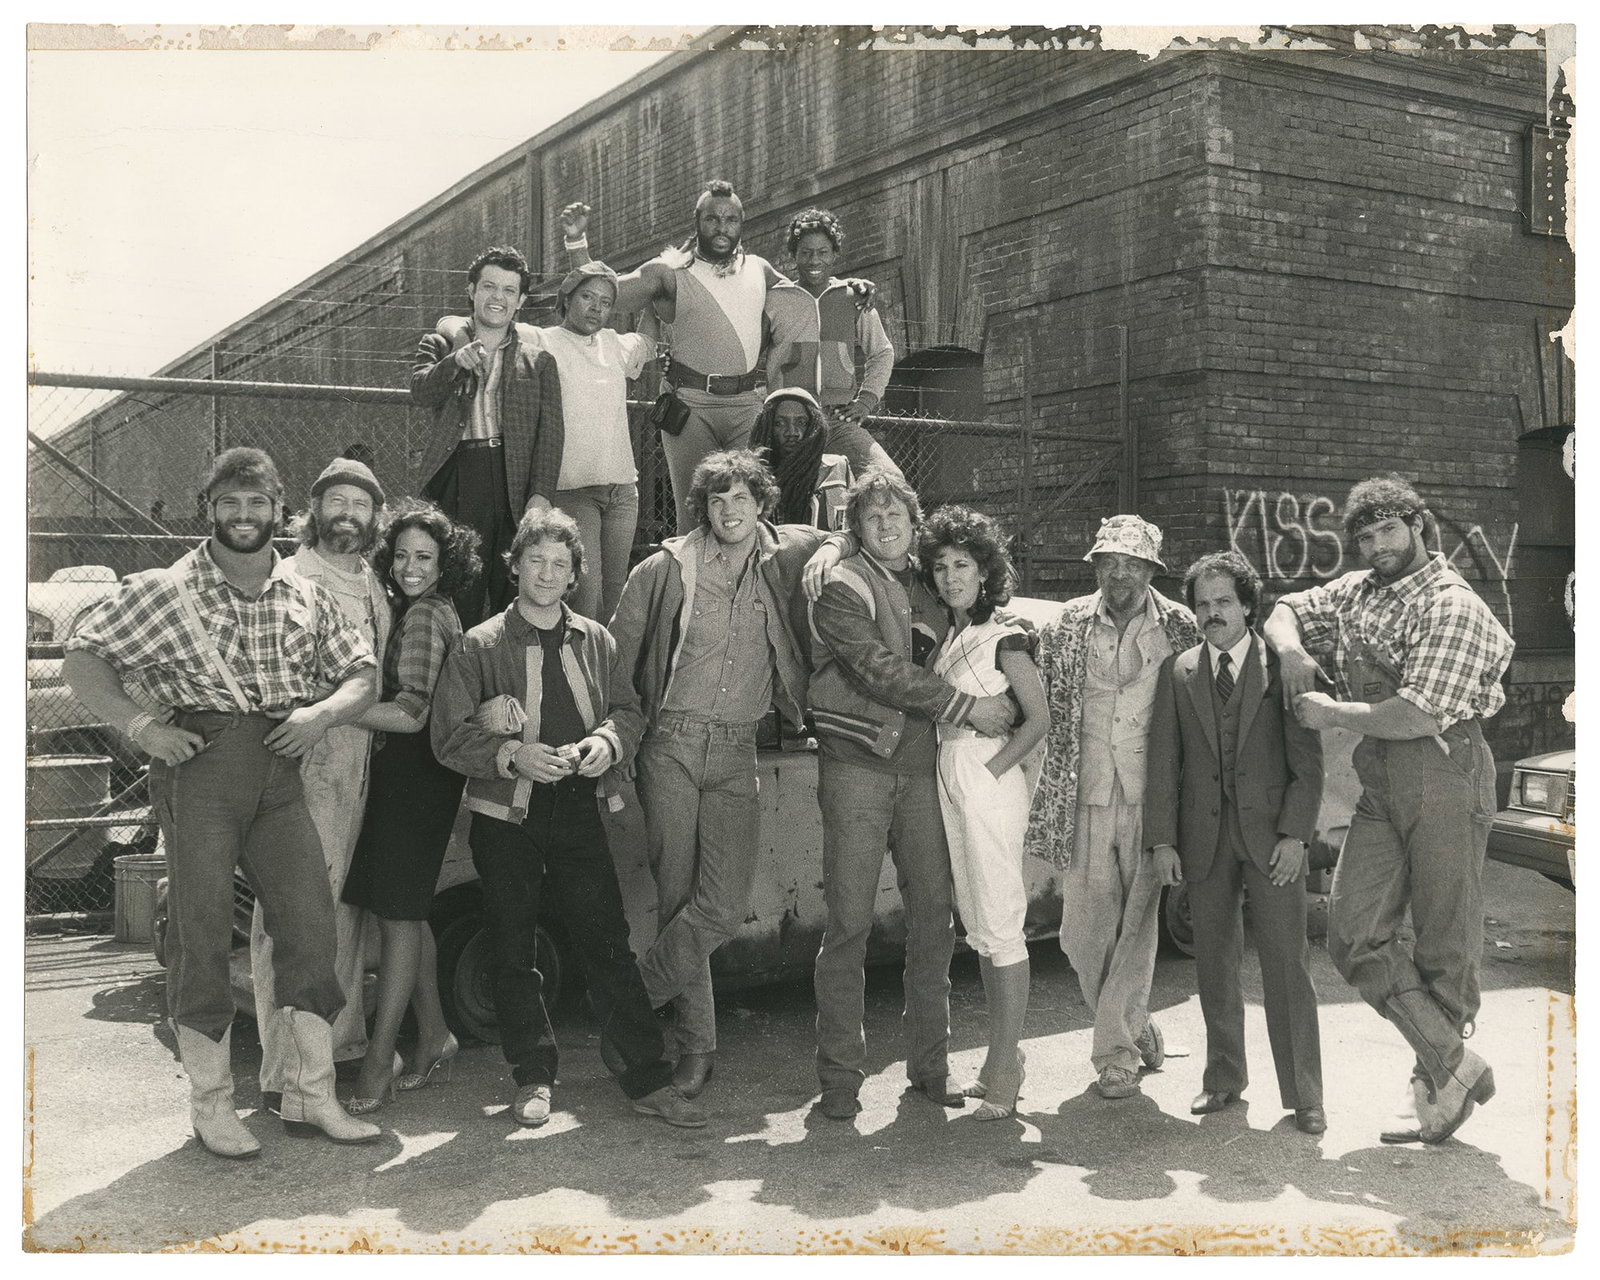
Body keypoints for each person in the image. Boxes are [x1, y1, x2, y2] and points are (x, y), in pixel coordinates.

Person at [63, 447, 382, 1156]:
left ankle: (310, 1094)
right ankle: (211, 1105)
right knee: (202, 936)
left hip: (280, 770)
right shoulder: (166, 589)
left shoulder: (304, 591)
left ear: (279, 510)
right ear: (209, 509)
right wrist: (143, 728)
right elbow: (82, 657)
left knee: (311, 927)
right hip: (200, 769)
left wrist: (321, 714)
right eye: (229, 503)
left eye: (257, 503)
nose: (244, 515)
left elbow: (362, 673)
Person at [430, 508, 706, 1129]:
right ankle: (532, 1075)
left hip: (579, 805)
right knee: (512, 943)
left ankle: (646, 1076)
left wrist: (607, 742)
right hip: (505, 813)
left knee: (605, 937)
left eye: (560, 563)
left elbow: (628, 711)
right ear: (515, 567)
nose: (547, 574)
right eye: (536, 560)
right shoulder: (480, 645)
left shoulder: (596, 640)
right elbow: (447, 736)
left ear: (575, 574)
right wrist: (512, 754)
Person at [1263, 475, 1513, 1145]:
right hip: (1382, 781)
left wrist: (1329, 711)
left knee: (1443, 944)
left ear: (1419, 526)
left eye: (1390, 531)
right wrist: (1291, 650)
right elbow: (1284, 606)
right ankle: (1454, 1063)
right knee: (1351, 933)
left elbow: (1416, 714)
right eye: (1366, 537)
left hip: (1445, 773)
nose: (1379, 546)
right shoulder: (1358, 590)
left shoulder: (1452, 604)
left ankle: (1433, 1086)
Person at [607, 449, 846, 1100]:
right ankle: (697, 1048)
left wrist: (833, 523)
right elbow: (616, 659)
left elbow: (844, 529)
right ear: (703, 508)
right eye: (717, 499)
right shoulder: (665, 568)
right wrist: (621, 738)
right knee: (678, 899)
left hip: (739, 750)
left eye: (742, 497)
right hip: (671, 745)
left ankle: (628, 1006)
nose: (729, 509)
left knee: (722, 905)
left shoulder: (788, 557)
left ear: (762, 503)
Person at [806, 469, 1016, 1120]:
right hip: (856, 769)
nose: (886, 524)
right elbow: (878, 670)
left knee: (934, 920)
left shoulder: (932, 584)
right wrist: (966, 707)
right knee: (848, 924)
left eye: (896, 513)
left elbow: (988, 619)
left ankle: (931, 1068)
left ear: (913, 522)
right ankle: (839, 1080)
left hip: (924, 769)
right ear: (856, 529)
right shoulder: (842, 583)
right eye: (871, 517)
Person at [559, 184, 874, 535]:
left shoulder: (760, 269)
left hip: (746, 408)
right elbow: (605, 292)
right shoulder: (668, 272)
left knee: (750, 513)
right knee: (694, 518)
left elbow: (807, 295)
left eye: (730, 219)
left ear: (741, 224)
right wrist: (576, 242)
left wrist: (850, 287)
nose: (721, 227)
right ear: (697, 222)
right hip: (691, 406)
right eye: (712, 219)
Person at [1145, 551, 1327, 1134]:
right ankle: (1223, 1078)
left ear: (1248, 607)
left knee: (1286, 965)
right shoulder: (1179, 672)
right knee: (1214, 965)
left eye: (1224, 601)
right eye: (1202, 604)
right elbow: (1163, 763)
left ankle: (1305, 1095)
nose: (1212, 613)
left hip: (1273, 840)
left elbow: (1308, 765)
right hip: (1203, 840)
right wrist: (1163, 842)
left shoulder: (1282, 668)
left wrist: (1296, 836)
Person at [1023, 515, 1202, 1100]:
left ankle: (1116, 1055)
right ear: (1096, 566)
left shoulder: (1181, 625)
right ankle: (1136, 1023)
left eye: (1132, 563)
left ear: (1151, 569)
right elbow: (1034, 694)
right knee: (1081, 934)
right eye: (1109, 562)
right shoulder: (1067, 624)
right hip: (1085, 793)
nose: (1119, 574)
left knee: (1138, 926)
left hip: (1155, 797)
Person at [249, 457, 390, 1116]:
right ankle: (285, 1073)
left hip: (358, 761)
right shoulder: (292, 576)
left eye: (360, 504)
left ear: (374, 517)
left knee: (344, 909)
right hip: (302, 760)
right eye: (337, 501)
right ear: (315, 510)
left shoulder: (370, 580)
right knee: (292, 914)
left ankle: (336, 1048)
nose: (348, 514)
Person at [339, 499, 482, 1113]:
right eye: (400, 556)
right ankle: (436, 1036)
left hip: (416, 779)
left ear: (445, 563)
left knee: (398, 918)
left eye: (424, 556)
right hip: (413, 777)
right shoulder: (427, 609)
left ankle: (379, 1061)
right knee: (407, 914)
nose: (410, 567)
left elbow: (411, 712)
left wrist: (333, 714)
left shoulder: (425, 616)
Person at [918, 506, 1048, 1122]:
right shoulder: (949, 636)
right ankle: (1001, 1058)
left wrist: (992, 773)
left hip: (984, 775)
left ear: (985, 571)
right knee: (979, 922)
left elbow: (1039, 719)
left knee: (1001, 922)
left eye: (963, 565)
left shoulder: (1006, 634)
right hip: (951, 770)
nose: (951, 577)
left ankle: (1007, 1065)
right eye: (941, 566)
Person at [438, 260, 651, 623]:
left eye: (605, 302)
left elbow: (648, 341)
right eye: (587, 297)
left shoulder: (615, 343)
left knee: (616, 597)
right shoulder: (541, 339)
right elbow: (454, 321)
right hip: (574, 491)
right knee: (586, 596)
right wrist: (461, 339)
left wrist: (657, 295)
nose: (596, 308)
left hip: (621, 492)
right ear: (566, 298)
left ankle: (606, 661)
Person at [410, 244, 564, 625]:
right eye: (489, 287)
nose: (499, 297)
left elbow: (550, 436)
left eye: (509, 290)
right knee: (459, 587)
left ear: (521, 300)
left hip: (514, 483)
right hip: (459, 477)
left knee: (512, 589)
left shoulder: (540, 362)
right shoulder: (440, 345)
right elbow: (421, 392)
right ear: (472, 291)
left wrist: (541, 494)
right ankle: (455, 660)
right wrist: (453, 363)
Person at [764, 207, 902, 481]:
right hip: (789, 424)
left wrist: (866, 401)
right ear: (794, 255)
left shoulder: (854, 297)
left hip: (838, 422)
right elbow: (750, 355)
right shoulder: (775, 300)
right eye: (805, 252)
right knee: (781, 490)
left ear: (835, 254)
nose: (814, 260)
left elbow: (882, 352)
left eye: (823, 252)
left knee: (888, 480)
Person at [748, 387, 853, 530]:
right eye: (779, 423)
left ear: (814, 426)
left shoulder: (835, 468)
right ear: (767, 427)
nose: (792, 432)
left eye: (801, 423)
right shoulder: (753, 476)